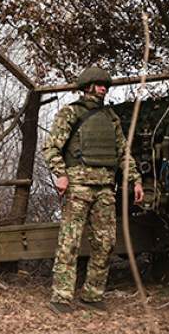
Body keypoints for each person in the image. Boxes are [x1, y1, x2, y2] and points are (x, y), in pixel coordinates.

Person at [42, 66, 143, 313]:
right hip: (78, 186)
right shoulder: (71, 113)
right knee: (70, 242)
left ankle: (92, 294)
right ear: (87, 86)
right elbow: (51, 148)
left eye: (105, 86)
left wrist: (135, 180)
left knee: (106, 242)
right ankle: (62, 296)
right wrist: (61, 175)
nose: (103, 89)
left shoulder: (111, 118)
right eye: (99, 84)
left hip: (105, 189)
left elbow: (123, 153)